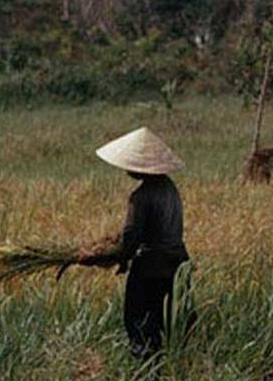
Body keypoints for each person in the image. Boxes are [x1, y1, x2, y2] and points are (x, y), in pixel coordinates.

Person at [77, 127, 191, 360]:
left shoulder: (140, 197)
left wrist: (95, 257)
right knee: (169, 325)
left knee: (141, 327)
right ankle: (168, 377)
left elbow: (129, 243)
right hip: (178, 264)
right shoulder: (170, 189)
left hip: (152, 270)